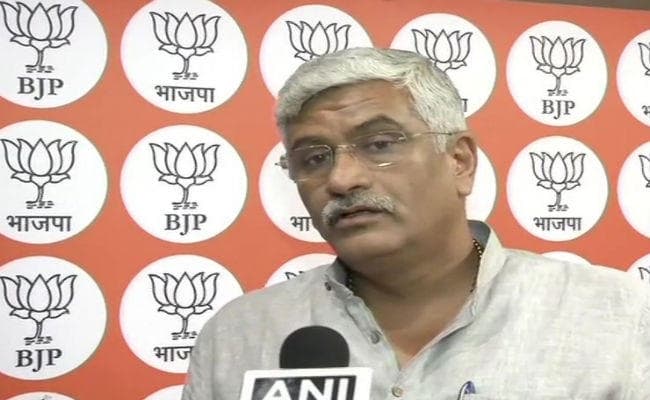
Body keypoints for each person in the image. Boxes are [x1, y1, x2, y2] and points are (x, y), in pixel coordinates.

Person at [182, 47, 649, 399]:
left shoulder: (617, 316)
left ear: (460, 162)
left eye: (380, 144)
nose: (341, 179)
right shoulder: (240, 335)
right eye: (314, 158)